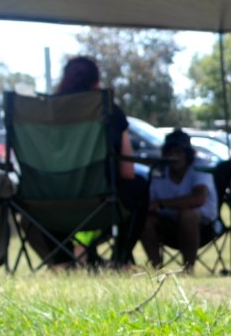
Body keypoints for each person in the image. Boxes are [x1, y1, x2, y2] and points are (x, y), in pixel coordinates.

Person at [25, 56, 148, 267]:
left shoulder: (44, 113)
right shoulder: (108, 110)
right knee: (140, 187)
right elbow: (127, 171)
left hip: (48, 202)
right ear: (95, 80)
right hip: (100, 200)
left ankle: (64, 261)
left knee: (51, 205)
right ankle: (121, 258)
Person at [140, 130, 219, 272]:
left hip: (203, 228)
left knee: (188, 215)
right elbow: (150, 203)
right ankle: (157, 270)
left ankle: (188, 269)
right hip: (167, 226)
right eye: (169, 151)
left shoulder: (201, 167)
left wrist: (162, 204)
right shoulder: (159, 171)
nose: (173, 156)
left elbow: (198, 199)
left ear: (187, 153)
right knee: (144, 220)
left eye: (178, 151)